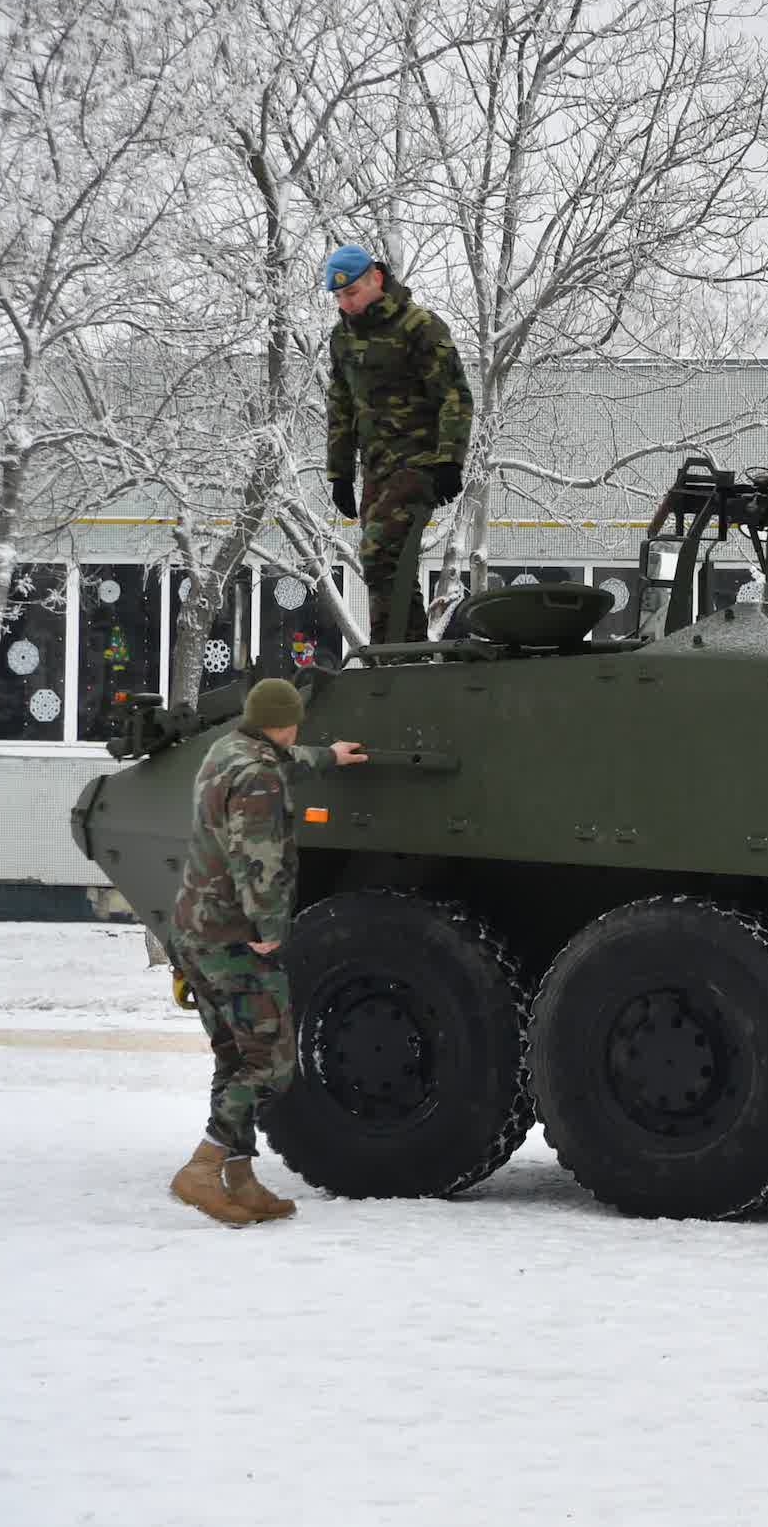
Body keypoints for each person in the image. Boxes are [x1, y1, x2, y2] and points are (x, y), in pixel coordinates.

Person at [166, 677, 367, 1226]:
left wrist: (329, 756)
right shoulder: (260, 775)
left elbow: (281, 760)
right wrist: (270, 927)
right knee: (271, 1064)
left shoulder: (228, 751)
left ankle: (240, 1179)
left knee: (235, 1057)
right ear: (288, 722)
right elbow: (258, 859)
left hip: (195, 929)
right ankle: (202, 1167)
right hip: (235, 937)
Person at [320, 243, 474, 644]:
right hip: (377, 468)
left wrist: (449, 461)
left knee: (382, 552)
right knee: (384, 563)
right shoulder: (342, 339)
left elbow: (454, 395)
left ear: (376, 278)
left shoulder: (419, 326)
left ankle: (392, 651)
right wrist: (340, 473)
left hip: (419, 462)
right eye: (339, 297)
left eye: (351, 293)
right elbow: (340, 407)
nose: (346, 304)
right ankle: (404, 650)